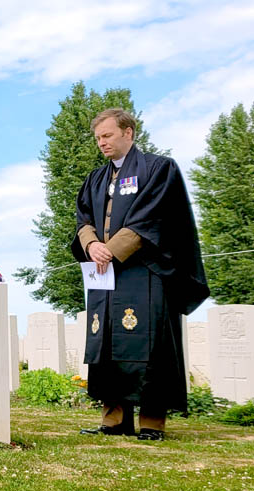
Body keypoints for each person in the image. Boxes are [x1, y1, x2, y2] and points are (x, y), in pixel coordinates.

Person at [72, 108, 208, 441]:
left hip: (145, 272)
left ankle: (151, 423)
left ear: (129, 132)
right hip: (105, 274)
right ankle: (114, 419)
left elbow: (152, 219)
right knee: (104, 344)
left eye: (107, 135)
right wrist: (91, 246)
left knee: (147, 346)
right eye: (98, 138)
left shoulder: (159, 169)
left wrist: (111, 249)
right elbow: (83, 220)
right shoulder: (95, 179)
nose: (101, 143)